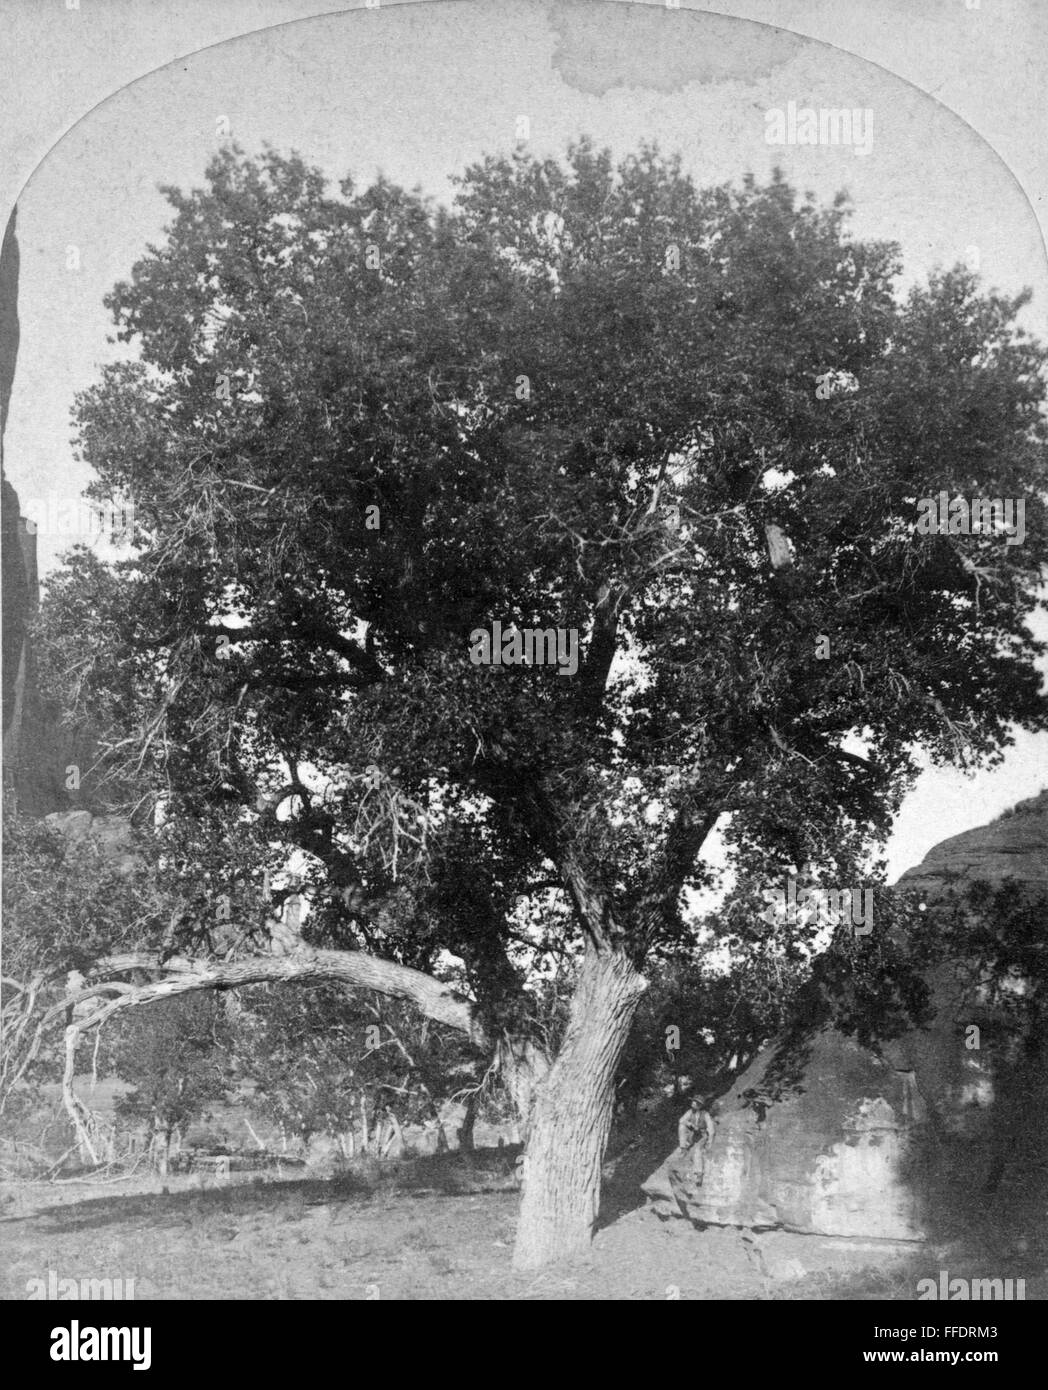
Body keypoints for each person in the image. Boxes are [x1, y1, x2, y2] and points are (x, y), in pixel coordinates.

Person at [677, 1096, 717, 1184]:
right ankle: (683, 1148)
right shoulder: (690, 1112)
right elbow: (681, 1120)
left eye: (695, 1102)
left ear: (699, 1105)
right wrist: (690, 1124)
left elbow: (711, 1129)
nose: (692, 1103)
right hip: (692, 1135)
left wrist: (709, 1142)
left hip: (701, 1136)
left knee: (697, 1151)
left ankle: (699, 1174)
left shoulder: (705, 1114)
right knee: (682, 1127)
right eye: (693, 1101)